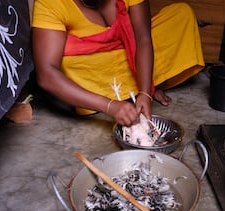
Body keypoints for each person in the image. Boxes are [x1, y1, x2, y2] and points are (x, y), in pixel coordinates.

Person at [31, 0, 204, 126]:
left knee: (182, 14)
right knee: (68, 63)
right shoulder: (49, 3)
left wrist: (145, 92)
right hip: (92, 62)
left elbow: (143, 39)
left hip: (127, 49)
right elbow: (46, 74)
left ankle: (139, 86)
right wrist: (109, 106)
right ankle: (125, 90)